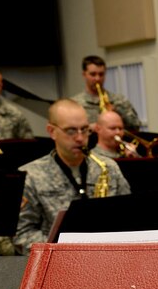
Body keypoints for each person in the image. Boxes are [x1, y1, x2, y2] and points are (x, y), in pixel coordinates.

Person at [14, 99, 131, 253]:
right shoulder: (30, 175)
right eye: (71, 131)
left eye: (84, 129)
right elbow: (22, 234)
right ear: (51, 131)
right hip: (55, 265)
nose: (80, 138)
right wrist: (63, 251)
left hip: (109, 258)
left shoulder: (109, 168)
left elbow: (129, 217)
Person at [71, 55, 142, 130]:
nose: (97, 78)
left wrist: (117, 111)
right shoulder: (75, 103)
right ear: (84, 75)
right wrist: (90, 128)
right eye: (93, 74)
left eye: (101, 74)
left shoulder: (119, 100)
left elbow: (136, 126)